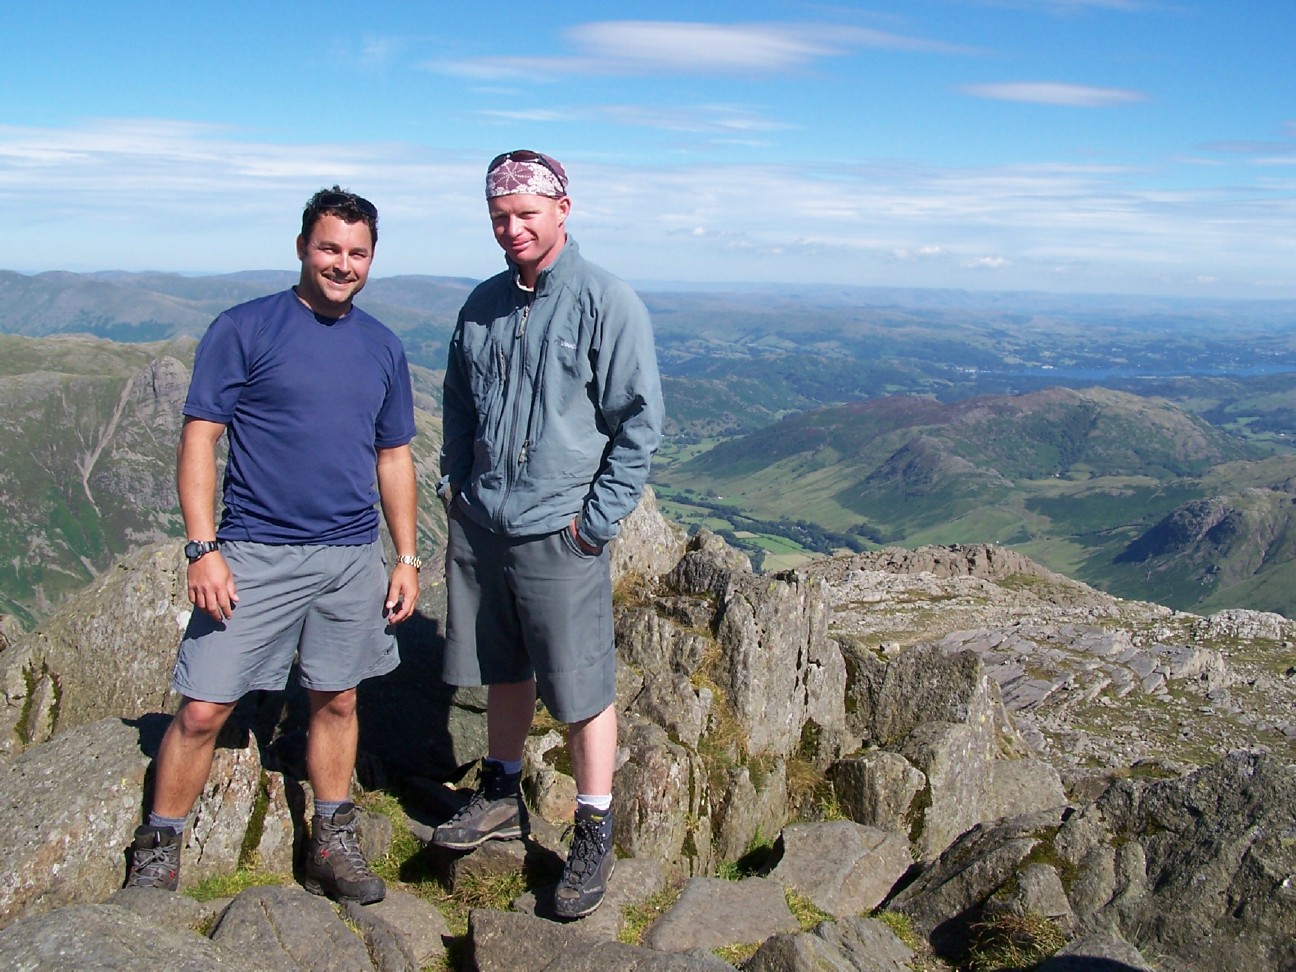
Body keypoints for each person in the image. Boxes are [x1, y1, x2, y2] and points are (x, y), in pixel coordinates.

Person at [124, 186, 421, 905]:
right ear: (301, 248)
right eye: (328, 248)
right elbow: (201, 437)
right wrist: (203, 549)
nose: (341, 264)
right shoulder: (245, 328)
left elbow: (394, 456)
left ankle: (332, 839)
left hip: (351, 556)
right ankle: (159, 847)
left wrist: (405, 556)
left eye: (356, 253)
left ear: (372, 259)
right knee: (201, 708)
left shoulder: (382, 346)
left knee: (338, 700)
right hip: (254, 550)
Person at [433, 150, 664, 918]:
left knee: (581, 685)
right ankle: (500, 787)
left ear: (563, 208)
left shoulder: (606, 301)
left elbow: (639, 425)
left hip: (558, 530)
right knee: (502, 665)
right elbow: (459, 401)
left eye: (527, 213)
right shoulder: (483, 302)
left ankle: (593, 828)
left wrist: (593, 526)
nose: (513, 228)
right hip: (485, 521)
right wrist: (454, 485)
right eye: (500, 216)